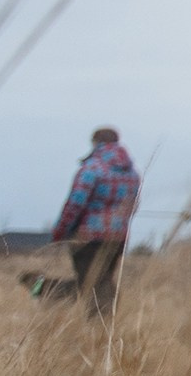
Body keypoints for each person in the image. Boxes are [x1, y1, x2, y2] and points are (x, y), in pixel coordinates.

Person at [49, 126, 141, 318]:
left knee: (90, 283)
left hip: (88, 237)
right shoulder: (132, 173)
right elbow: (133, 206)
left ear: (95, 142)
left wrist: (60, 231)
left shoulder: (91, 169)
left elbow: (75, 204)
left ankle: (96, 325)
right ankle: (106, 323)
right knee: (104, 279)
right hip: (117, 237)